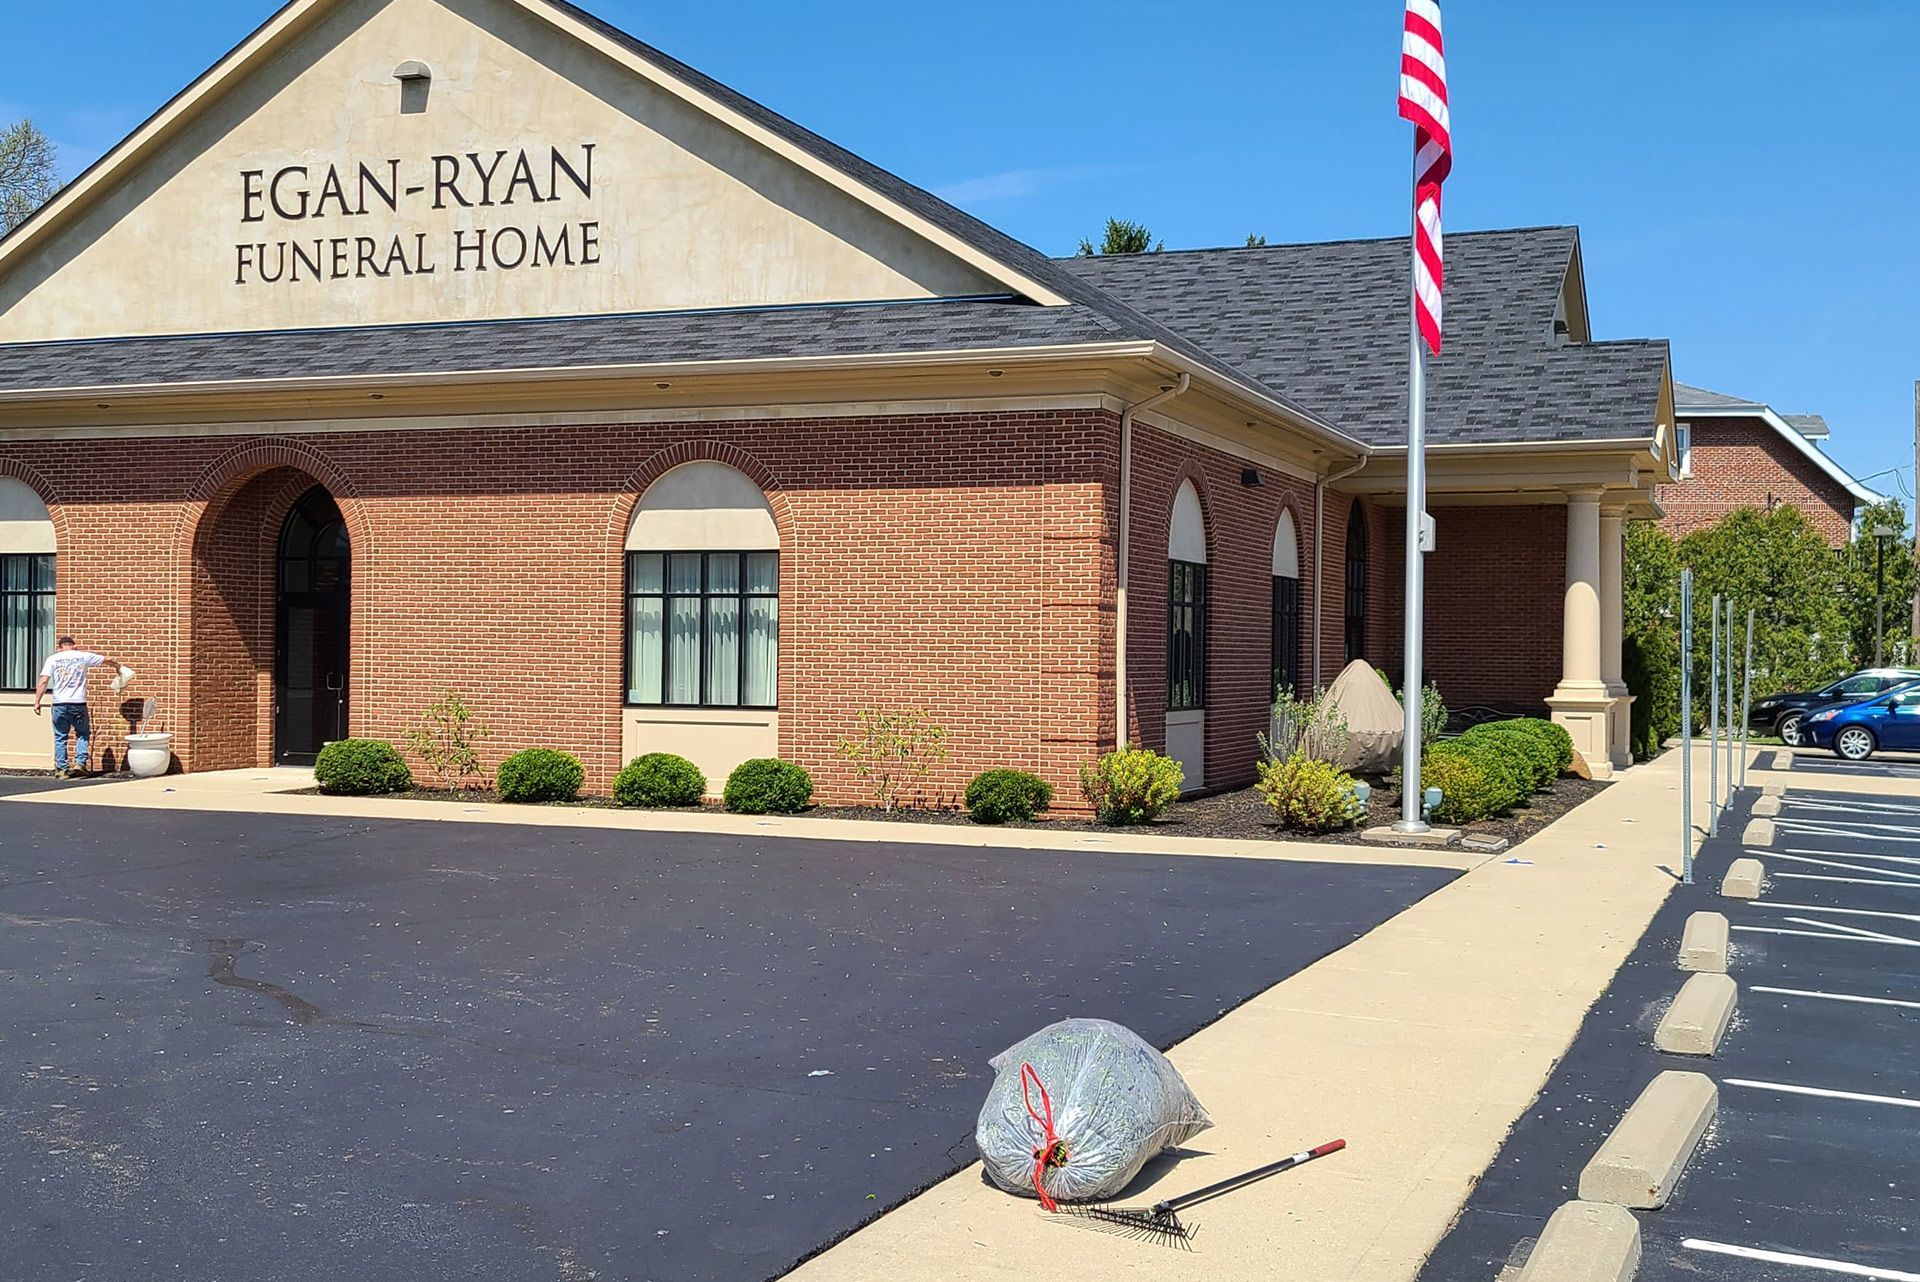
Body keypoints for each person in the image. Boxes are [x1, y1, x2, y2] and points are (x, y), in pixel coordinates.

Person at [33, 636, 126, 779]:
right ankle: (80, 764)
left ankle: (62, 769)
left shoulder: (52, 659)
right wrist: (118, 666)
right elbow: (106, 660)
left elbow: (43, 681)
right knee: (82, 733)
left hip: (59, 703)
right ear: (74, 646)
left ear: (59, 648)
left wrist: (37, 701)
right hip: (78, 703)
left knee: (60, 737)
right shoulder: (82, 656)